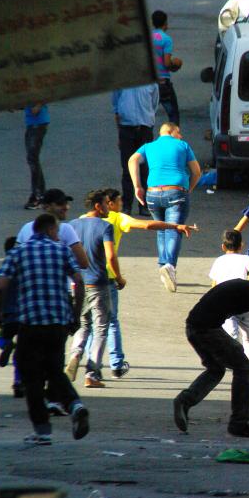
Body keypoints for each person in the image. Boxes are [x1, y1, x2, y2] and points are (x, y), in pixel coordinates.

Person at [0, 213, 89, 445]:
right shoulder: (62, 250)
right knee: (55, 370)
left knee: (31, 377)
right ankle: (75, 406)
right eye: (56, 232)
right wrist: (75, 316)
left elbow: (0, 287)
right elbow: (79, 283)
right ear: (49, 230)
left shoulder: (18, 252)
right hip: (58, 323)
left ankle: (43, 431)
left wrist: (1, 318)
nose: (58, 235)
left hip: (31, 324)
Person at [83, 188, 197, 378]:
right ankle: (116, 365)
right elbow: (147, 225)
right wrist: (175, 226)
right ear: (108, 204)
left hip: (85, 279)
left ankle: (89, 363)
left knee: (89, 324)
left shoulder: (82, 220)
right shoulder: (118, 218)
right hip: (107, 279)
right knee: (110, 322)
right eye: (118, 202)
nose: (121, 205)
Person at [174, 269, 249, 438]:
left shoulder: (246, 288)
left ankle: (184, 401)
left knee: (216, 369)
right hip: (205, 329)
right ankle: (239, 423)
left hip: (194, 327)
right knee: (244, 368)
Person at [128, 122, 202, 292]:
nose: (181, 136)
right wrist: (188, 189)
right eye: (179, 132)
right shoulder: (182, 145)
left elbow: (132, 160)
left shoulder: (148, 146)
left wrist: (137, 186)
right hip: (176, 191)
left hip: (152, 194)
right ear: (170, 131)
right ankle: (169, 266)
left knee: (161, 229)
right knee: (174, 229)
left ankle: (163, 267)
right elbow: (197, 172)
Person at [67, 190, 124, 388]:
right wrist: (119, 277)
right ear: (98, 206)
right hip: (98, 283)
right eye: (106, 205)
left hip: (77, 284)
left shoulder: (72, 225)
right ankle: (92, 373)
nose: (109, 207)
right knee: (101, 328)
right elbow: (110, 256)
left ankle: (75, 354)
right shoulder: (105, 226)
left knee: (83, 325)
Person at [209, 230, 249, 386]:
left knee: (232, 335)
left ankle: (238, 368)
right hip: (244, 303)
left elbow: (214, 283)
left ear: (223, 246)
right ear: (242, 245)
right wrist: (248, 286)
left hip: (226, 303)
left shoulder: (219, 260)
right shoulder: (246, 258)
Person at [113, 84, 159, 216]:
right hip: (126, 128)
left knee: (144, 168)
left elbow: (154, 104)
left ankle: (144, 205)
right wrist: (119, 133)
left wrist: (148, 118)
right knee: (127, 169)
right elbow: (116, 106)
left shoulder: (151, 83)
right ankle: (126, 205)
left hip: (145, 128)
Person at [0, 237, 23, 397]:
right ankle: (18, 382)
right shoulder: (24, 269)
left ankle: (5, 344)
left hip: (7, 315)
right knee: (22, 352)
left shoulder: (0, 271)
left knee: (3, 338)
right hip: (25, 315)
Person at [17, 188, 89, 270]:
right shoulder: (65, 229)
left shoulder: (25, 228)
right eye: (60, 204)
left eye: (66, 203)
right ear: (46, 207)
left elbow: (16, 260)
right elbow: (83, 263)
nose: (66, 207)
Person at [151, 10, 182, 125]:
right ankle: (173, 141)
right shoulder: (166, 39)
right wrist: (177, 64)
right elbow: (167, 63)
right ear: (165, 23)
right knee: (173, 115)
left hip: (148, 84)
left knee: (146, 117)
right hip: (163, 84)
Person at [23, 103, 50, 210]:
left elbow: (46, 91)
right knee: (33, 159)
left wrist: (38, 106)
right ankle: (40, 194)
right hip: (32, 123)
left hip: (38, 123)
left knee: (32, 159)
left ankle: (38, 196)